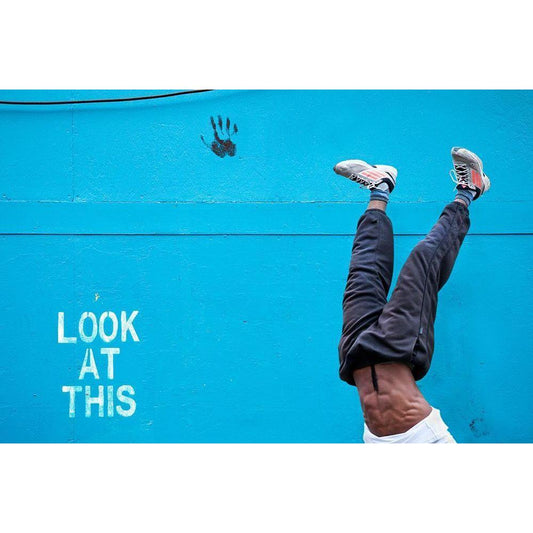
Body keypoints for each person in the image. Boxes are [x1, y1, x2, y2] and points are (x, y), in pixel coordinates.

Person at [334, 147, 490, 443]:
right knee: (384, 270)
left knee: (390, 268)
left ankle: (467, 190)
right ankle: (382, 187)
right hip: (393, 436)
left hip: (416, 433)